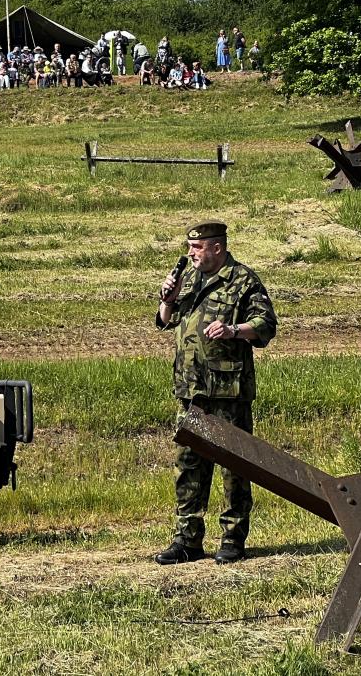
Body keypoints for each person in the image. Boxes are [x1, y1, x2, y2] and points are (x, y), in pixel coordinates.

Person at [154, 221, 277, 566]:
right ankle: (187, 540)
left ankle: (233, 539)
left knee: (233, 467)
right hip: (191, 389)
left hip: (228, 391)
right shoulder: (189, 280)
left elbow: (266, 325)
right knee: (188, 466)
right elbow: (166, 320)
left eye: (198, 247)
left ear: (217, 248)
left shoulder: (243, 280)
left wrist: (234, 330)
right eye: (190, 247)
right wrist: (168, 300)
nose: (191, 253)